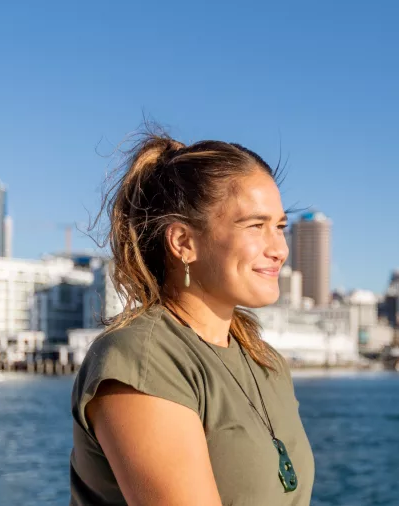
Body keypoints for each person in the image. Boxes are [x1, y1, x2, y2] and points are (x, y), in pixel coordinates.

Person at [69, 131, 315, 505]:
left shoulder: (266, 363)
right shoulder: (143, 359)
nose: (279, 249)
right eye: (255, 225)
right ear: (183, 242)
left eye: (280, 227)